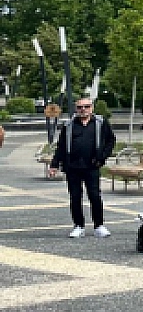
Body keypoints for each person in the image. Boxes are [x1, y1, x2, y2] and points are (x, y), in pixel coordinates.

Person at [48, 95, 116, 238]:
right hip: (72, 167)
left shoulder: (100, 123)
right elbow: (61, 146)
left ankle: (99, 225)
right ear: (76, 109)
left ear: (92, 108)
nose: (83, 110)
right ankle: (79, 226)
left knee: (95, 196)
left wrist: (102, 156)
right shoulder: (69, 125)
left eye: (86, 107)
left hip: (92, 166)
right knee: (75, 197)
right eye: (80, 107)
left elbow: (110, 140)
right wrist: (54, 164)